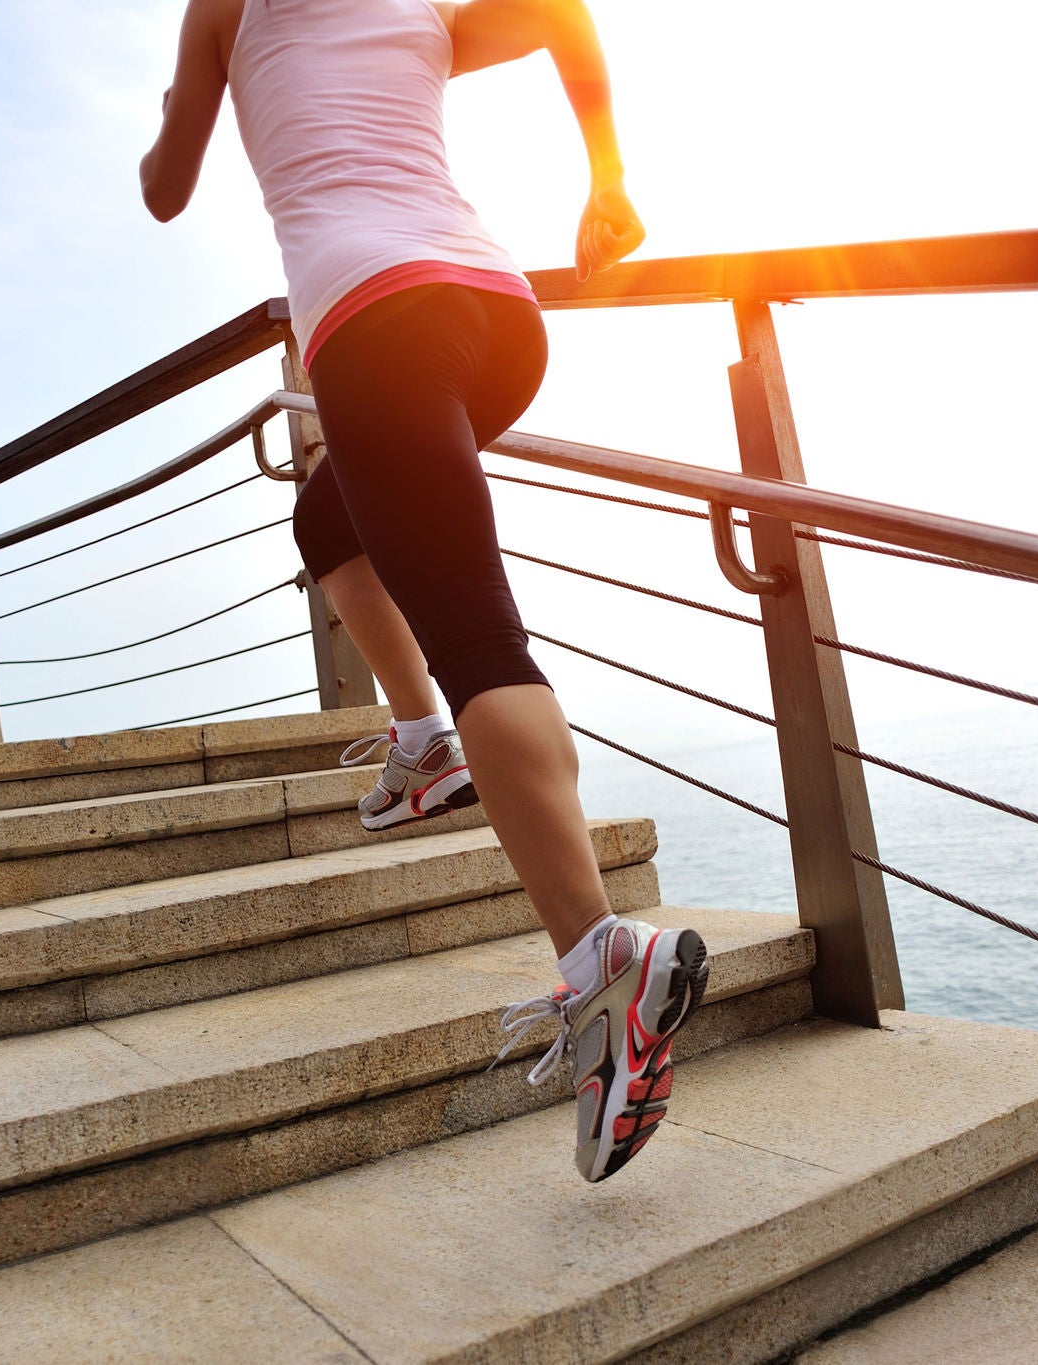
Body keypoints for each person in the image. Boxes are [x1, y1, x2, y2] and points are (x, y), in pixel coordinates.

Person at [141, 0, 707, 1183]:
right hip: (495, 313)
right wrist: (607, 182)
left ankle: (601, 957)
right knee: (328, 516)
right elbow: (560, 12)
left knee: (476, 633)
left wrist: (179, 104)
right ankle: (424, 746)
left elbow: (163, 190)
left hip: (374, 314)